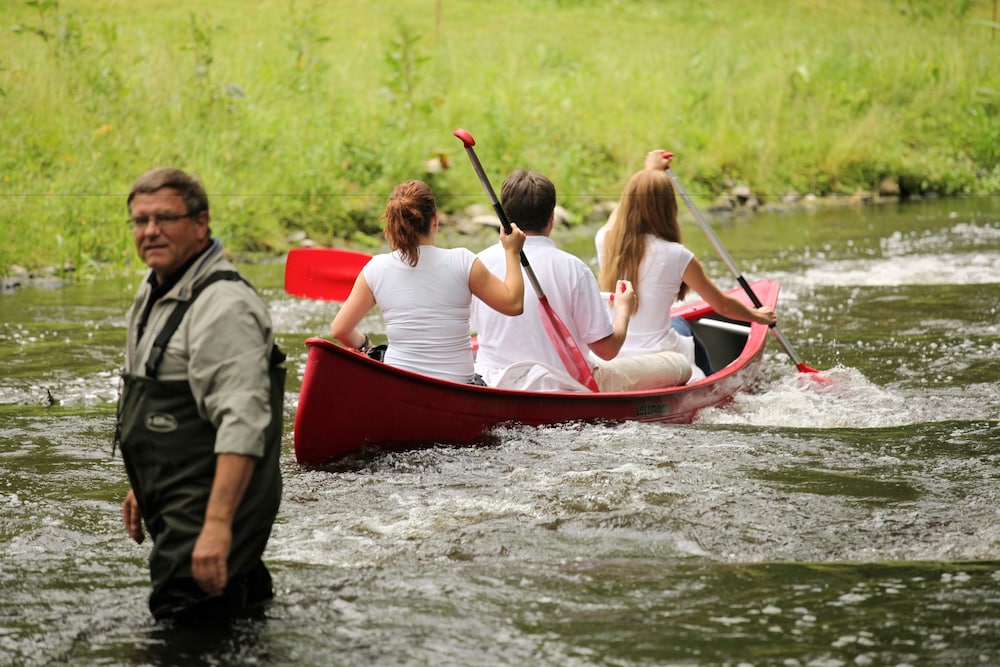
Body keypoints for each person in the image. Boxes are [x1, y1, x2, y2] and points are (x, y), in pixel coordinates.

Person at [115, 167, 284, 623]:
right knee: (234, 621)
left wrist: (216, 527)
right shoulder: (153, 290)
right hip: (177, 499)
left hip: (205, 512)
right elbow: (162, 408)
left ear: (200, 223)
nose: (150, 231)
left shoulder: (224, 307)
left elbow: (242, 424)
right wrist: (144, 482)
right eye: (140, 220)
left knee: (182, 632)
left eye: (164, 218)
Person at [471, 169, 690, 392]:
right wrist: (623, 309)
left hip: (494, 382)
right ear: (552, 217)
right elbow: (607, 350)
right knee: (681, 365)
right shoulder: (574, 269)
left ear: (504, 217)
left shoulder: (478, 263)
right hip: (564, 385)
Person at [596, 151, 777, 382]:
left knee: (679, 323)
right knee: (680, 323)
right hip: (660, 358)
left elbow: (621, 213)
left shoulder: (605, 241)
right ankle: (713, 384)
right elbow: (722, 305)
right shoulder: (677, 255)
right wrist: (758, 316)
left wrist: (648, 172)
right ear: (668, 208)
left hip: (616, 353)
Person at [330, 179, 526, 384]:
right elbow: (513, 304)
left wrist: (366, 346)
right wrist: (512, 252)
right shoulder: (462, 261)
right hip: (457, 386)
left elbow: (340, 330)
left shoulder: (375, 269)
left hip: (398, 383)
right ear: (435, 220)